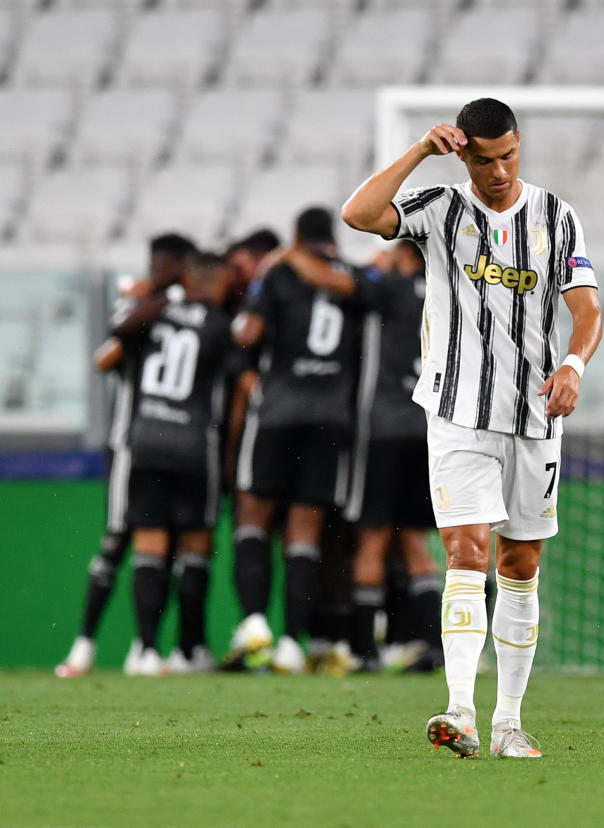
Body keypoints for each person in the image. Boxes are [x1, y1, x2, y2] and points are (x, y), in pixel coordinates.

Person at [342, 97, 602, 758]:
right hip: (457, 412)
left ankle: (510, 722)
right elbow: (361, 215)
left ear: (520, 147)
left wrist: (573, 363)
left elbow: (587, 309)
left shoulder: (555, 216)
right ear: (465, 154)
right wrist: (419, 153)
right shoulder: (440, 207)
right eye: (483, 159)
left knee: (520, 563)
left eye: (508, 156)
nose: (497, 171)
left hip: (537, 415)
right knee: (466, 550)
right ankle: (460, 709)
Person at [228, 207, 377, 673]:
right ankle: (293, 641)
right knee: (305, 534)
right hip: (332, 417)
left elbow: (246, 333)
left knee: (253, 516)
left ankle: (255, 622)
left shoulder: (279, 272)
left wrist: (262, 284)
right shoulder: (352, 278)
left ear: (296, 236)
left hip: (278, 411)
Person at [56, 232, 197, 678]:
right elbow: (106, 356)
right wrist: (157, 299)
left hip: (174, 446)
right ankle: (83, 645)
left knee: (163, 548)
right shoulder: (141, 310)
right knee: (118, 540)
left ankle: (145, 645)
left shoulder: (192, 312)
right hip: (129, 444)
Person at [109, 251, 234, 674]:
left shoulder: (153, 314)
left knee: (149, 549)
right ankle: (187, 651)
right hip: (194, 447)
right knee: (195, 551)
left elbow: (118, 332)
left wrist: (157, 297)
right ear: (214, 283)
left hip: (147, 442)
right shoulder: (218, 322)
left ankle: (144, 650)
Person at [342, 239, 443, 673]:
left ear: (403, 257)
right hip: (429, 428)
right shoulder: (444, 293)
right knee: (417, 542)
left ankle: (365, 651)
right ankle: (434, 647)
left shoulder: (386, 288)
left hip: (383, 426)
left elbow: (349, 282)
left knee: (374, 539)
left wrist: (376, 265)